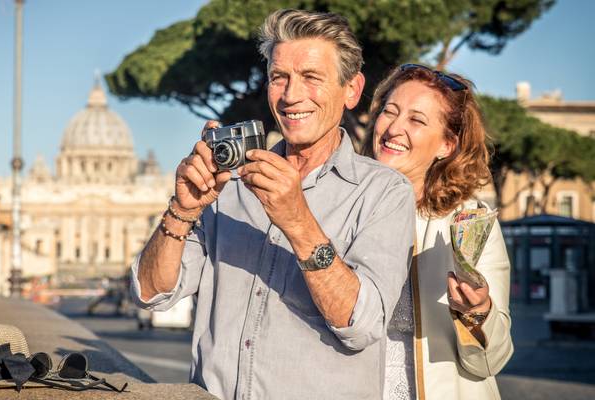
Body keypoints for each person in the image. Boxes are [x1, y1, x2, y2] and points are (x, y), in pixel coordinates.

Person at [131, 9, 416, 400]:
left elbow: (362, 324)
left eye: (311, 77)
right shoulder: (227, 186)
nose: (291, 95)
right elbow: (151, 292)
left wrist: (297, 221)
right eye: (279, 77)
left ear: (351, 90)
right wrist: (182, 208)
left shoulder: (385, 192)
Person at [363, 64, 514, 399]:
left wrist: (477, 314)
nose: (394, 129)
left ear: (446, 145)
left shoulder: (471, 222)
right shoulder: (343, 206)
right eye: (390, 112)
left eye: (416, 120)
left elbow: (491, 362)